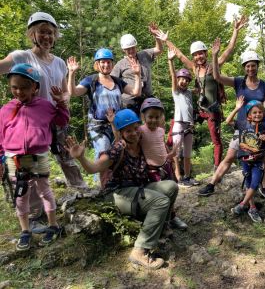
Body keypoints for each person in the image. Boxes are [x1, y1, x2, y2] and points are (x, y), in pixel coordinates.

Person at [65, 109, 178, 269]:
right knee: (160, 201)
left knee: (171, 186)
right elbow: (94, 168)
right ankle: (140, 250)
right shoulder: (118, 149)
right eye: (128, 130)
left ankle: (160, 227)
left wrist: (169, 155)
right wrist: (81, 157)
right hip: (117, 194)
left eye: (135, 128)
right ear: (121, 133)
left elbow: (157, 137)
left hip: (137, 189)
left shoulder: (141, 142)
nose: (133, 133)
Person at [0, 11, 87, 210]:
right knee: (29, 165)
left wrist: (61, 99)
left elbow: (66, 92)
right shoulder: (22, 57)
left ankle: (81, 191)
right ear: (32, 35)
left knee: (67, 156)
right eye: (42, 32)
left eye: (50, 33)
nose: (47, 37)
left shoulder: (58, 63)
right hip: (30, 122)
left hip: (55, 117)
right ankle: (35, 209)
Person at [198, 38, 265, 203]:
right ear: (244, 68)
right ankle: (212, 184)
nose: (250, 68)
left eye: (253, 65)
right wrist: (215, 55)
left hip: (259, 129)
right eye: (247, 66)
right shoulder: (239, 82)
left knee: (263, 159)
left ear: (257, 66)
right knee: (229, 157)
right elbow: (217, 76)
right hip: (241, 128)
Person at [0, 64, 68, 250]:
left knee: (44, 190)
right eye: (15, 87)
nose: (19, 91)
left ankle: (53, 225)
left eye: (24, 87)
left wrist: (61, 103)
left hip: (39, 155)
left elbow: (62, 120)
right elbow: (0, 136)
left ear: (35, 87)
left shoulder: (45, 106)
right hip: (15, 158)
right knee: (21, 194)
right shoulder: (6, 110)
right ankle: (25, 230)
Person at [167, 16, 247, 169]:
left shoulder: (214, 66)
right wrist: (166, 40)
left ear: (205, 53)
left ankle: (218, 167)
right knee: (178, 123)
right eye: (196, 54)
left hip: (212, 110)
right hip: (199, 110)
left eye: (201, 53)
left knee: (215, 139)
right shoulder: (194, 68)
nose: (198, 56)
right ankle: (169, 147)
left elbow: (229, 50)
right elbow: (179, 54)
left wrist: (235, 31)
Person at [67, 48, 141, 185]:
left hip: (116, 125)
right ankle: (100, 186)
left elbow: (136, 92)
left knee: (118, 153)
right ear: (97, 64)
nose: (106, 65)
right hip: (98, 126)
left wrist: (137, 74)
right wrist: (71, 73)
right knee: (103, 152)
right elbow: (74, 92)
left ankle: (113, 182)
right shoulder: (91, 81)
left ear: (112, 64)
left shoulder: (118, 81)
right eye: (102, 62)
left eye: (108, 62)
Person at [139, 98, 187, 230]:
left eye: (157, 117)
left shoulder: (160, 130)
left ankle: (171, 216)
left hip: (165, 165)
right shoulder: (140, 131)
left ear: (161, 117)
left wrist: (169, 157)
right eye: (150, 117)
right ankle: (161, 219)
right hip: (152, 170)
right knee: (160, 195)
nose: (153, 120)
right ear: (143, 116)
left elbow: (161, 145)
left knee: (172, 191)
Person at [228, 98, 265, 223]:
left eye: (260, 112)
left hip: (258, 160)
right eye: (254, 112)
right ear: (249, 115)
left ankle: (242, 205)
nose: (257, 114)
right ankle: (251, 208)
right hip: (245, 160)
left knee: (255, 183)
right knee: (248, 183)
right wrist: (237, 108)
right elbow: (228, 121)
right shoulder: (242, 124)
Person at [167, 47, 199, 186]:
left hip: (189, 124)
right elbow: (173, 76)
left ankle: (187, 176)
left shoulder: (189, 93)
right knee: (176, 151)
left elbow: (199, 87)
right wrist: (171, 61)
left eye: (187, 80)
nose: (184, 81)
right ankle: (177, 176)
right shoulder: (176, 92)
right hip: (179, 123)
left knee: (187, 153)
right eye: (182, 79)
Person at [111, 23, 168, 98]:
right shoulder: (120, 64)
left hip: (147, 97)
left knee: (158, 107)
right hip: (129, 100)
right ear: (123, 50)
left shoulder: (144, 54)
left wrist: (156, 36)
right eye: (128, 49)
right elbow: (111, 80)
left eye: (133, 47)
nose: (131, 50)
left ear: (136, 46)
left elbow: (159, 50)